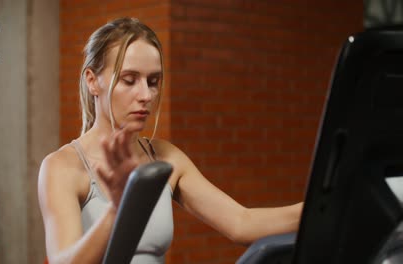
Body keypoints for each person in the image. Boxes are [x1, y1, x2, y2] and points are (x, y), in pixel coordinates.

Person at [38, 17, 303, 264]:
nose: (146, 95)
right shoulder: (62, 167)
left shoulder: (164, 157)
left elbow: (240, 222)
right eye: (129, 80)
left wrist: (320, 209)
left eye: (153, 82)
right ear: (92, 81)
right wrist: (118, 210)